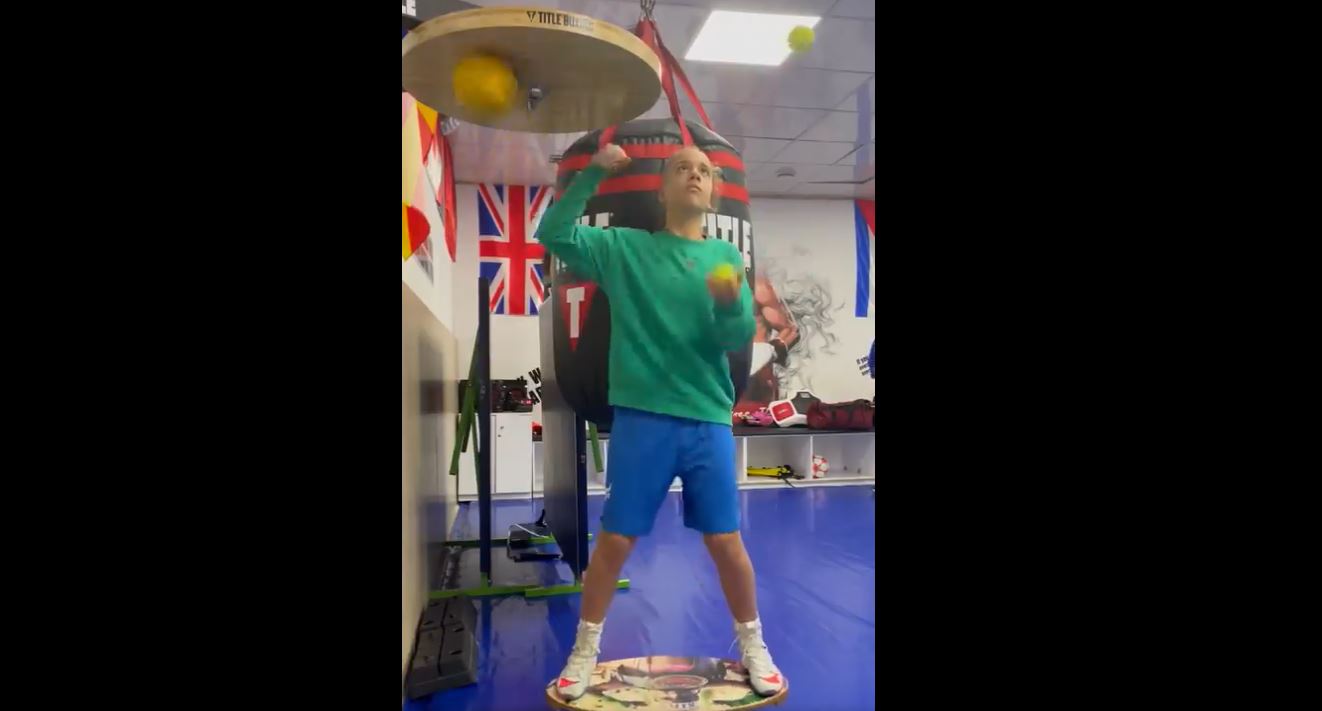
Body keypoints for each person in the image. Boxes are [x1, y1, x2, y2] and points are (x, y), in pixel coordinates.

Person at [535, 142, 784, 702]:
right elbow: (553, 234)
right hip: (643, 420)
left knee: (726, 541)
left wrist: (729, 301)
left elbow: (731, 338)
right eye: (682, 168)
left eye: (704, 171)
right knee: (615, 540)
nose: (694, 175)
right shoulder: (625, 249)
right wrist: (593, 173)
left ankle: (754, 645)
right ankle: (583, 652)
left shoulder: (724, 257)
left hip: (706, 420)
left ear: (713, 191)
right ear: (662, 187)